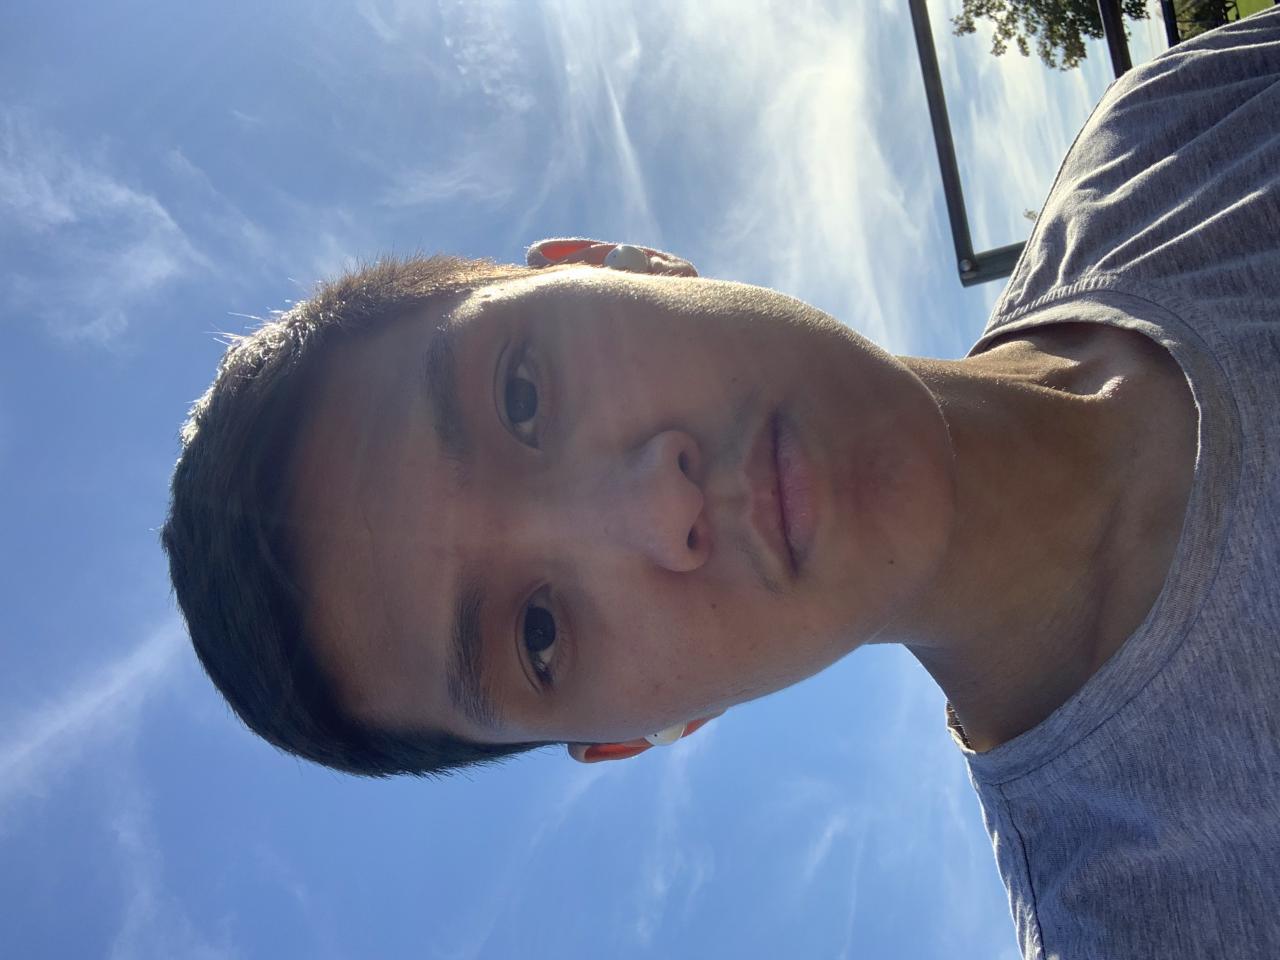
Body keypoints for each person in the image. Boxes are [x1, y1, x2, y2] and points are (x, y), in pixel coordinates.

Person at [162, 8, 1280, 959]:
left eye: (521, 395)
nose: (658, 509)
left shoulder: (1173, 130)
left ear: (613, 260)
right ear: (636, 733)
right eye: (539, 634)